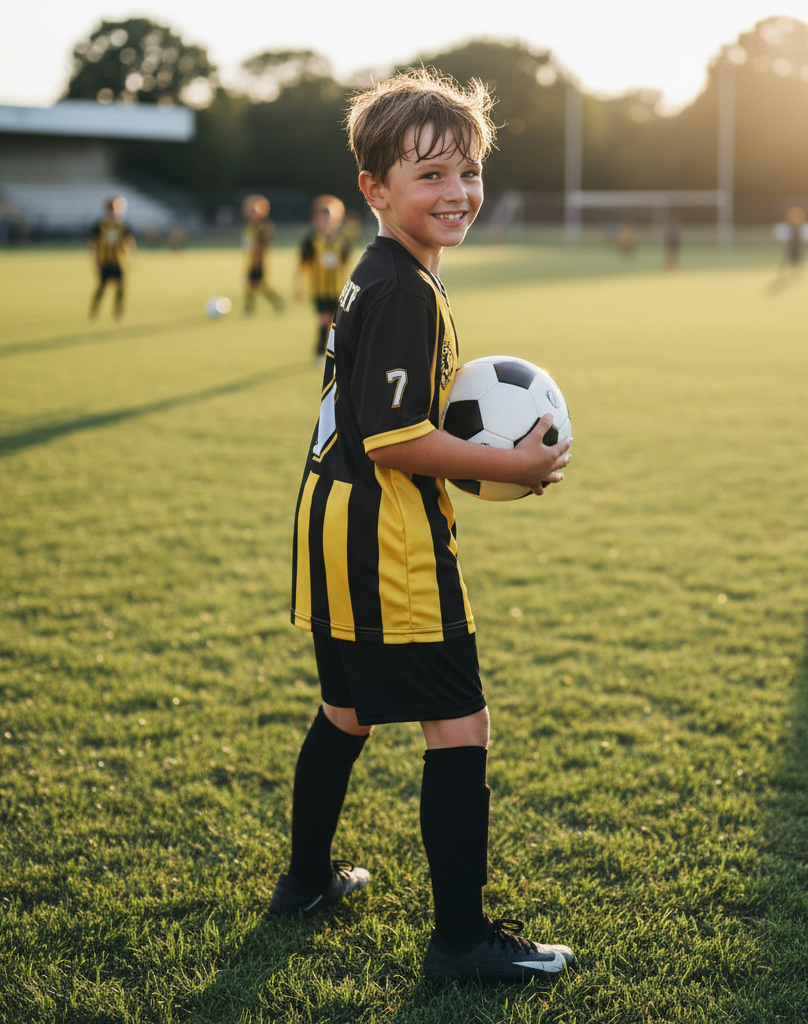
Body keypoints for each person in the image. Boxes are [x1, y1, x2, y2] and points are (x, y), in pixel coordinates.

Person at [267, 68, 575, 985]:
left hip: (329, 529)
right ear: (375, 189)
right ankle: (462, 942)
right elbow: (400, 438)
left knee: (347, 710)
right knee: (461, 726)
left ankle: (306, 882)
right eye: (431, 175)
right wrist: (515, 466)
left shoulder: (381, 273)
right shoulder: (403, 289)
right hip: (386, 542)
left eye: (468, 171)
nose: (457, 193)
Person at [296, 195, 352, 358]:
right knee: (323, 319)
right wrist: (298, 286)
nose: (326, 222)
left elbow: (346, 263)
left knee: (335, 322)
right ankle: (319, 352)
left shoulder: (341, 239)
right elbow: (302, 264)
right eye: (322, 218)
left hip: (337, 288)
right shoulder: (311, 240)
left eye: (329, 218)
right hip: (318, 288)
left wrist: (349, 284)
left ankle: (334, 352)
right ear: (316, 219)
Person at [89, 196, 134, 320]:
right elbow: (95, 244)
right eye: (112, 209)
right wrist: (96, 260)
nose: (114, 212)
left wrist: (130, 259)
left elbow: (128, 243)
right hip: (105, 261)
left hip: (119, 261)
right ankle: (94, 310)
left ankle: (119, 312)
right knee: (102, 287)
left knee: (121, 288)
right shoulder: (100, 225)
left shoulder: (123, 225)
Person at [241, 194, 285, 315]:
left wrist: (257, 262)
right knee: (251, 284)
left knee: (259, 285)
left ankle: (277, 302)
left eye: (254, 210)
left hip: (258, 261)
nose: (251, 213)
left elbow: (262, 247)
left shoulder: (262, 226)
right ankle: (249, 308)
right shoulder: (250, 225)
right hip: (250, 260)